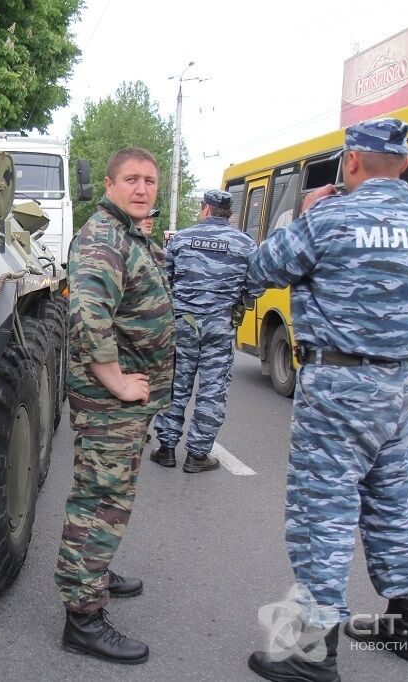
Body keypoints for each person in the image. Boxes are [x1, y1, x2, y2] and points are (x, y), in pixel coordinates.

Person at [244, 118, 408, 682]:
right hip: (401, 385)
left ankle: (313, 651)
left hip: (338, 388)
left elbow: (261, 268)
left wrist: (308, 211)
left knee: (324, 509)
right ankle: (406, 626)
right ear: (406, 164)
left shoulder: (329, 219)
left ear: (352, 162)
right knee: (390, 501)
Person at [55, 147, 175, 664]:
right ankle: (82, 617)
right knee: (101, 500)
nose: (143, 188)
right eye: (132, 179)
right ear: (109, 184)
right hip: (109, 401)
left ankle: (94, 572)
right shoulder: (104, 237)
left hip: (121, 405)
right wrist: (118, 382)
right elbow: (87, 314)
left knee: (109, 496)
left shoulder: (127, 233)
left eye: (150, 180)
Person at [150, 189, 259, 472]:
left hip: (183, 324)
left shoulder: (181, 239)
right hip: (220, 325)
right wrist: (237, 302)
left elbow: (164, 281)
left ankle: (167, 448)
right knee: (212, 389)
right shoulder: (246, 244)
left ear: (206, 209)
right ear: (228, 213)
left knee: (176, 384)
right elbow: (256, 286)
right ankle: (198, 455)